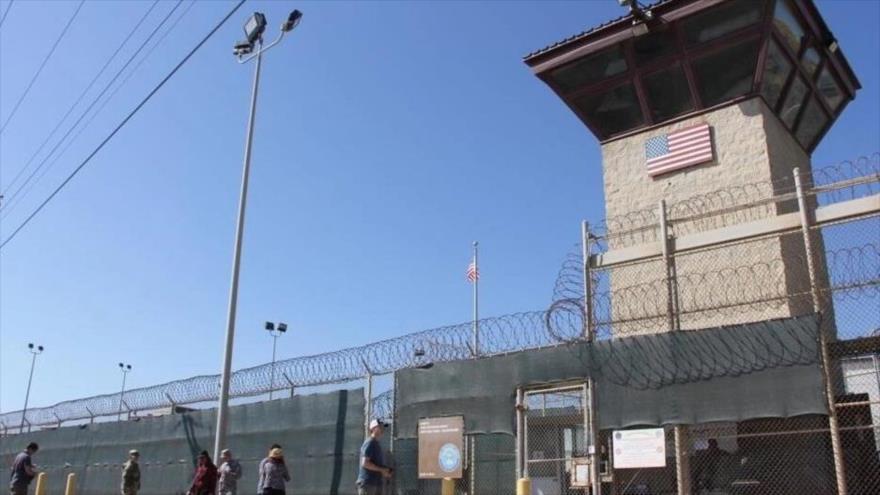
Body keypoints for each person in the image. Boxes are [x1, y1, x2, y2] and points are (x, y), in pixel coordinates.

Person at [357, 419, 392, 495]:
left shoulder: (376, 444)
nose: (382, 429)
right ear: (373, 428)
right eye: (380, 427)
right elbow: (365, 463)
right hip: (368, 483)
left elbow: (375, 464)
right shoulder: (370, 442)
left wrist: (385, 470)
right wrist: (382, 469)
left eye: (383, 427)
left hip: (376, 483)